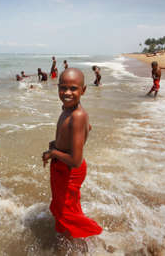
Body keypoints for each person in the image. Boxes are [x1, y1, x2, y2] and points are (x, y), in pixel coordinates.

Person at [42, 68, 102, 245]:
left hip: (69, 170)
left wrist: (53, 152)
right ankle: (65, 236)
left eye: (73, 88)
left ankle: (82, 241)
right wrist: (57, 144)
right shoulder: (69, 109)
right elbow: (87, 128)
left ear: (83, 90)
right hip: (61, 166)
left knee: (67, 213)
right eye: (63, 87)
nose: (67, 93)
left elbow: (75, 161)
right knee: (63, 206)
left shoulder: (78, 115)